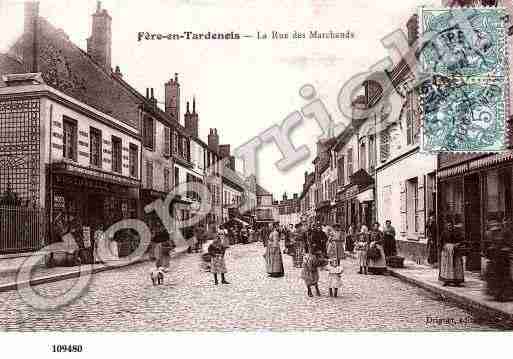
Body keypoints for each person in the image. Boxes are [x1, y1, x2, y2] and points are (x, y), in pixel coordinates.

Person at [439, 221, 464, 286]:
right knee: (447, 266)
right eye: (448, 225)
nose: (450, 227)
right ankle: (446, 280)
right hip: (447, 252)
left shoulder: (456, 233)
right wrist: (444, 247)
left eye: (450, 225)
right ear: (446, 226)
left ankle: (457, 280)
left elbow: (461, 240)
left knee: (456, 265)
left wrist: (458, 244)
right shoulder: (444, 233)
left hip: (455, 252)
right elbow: (441, 242)